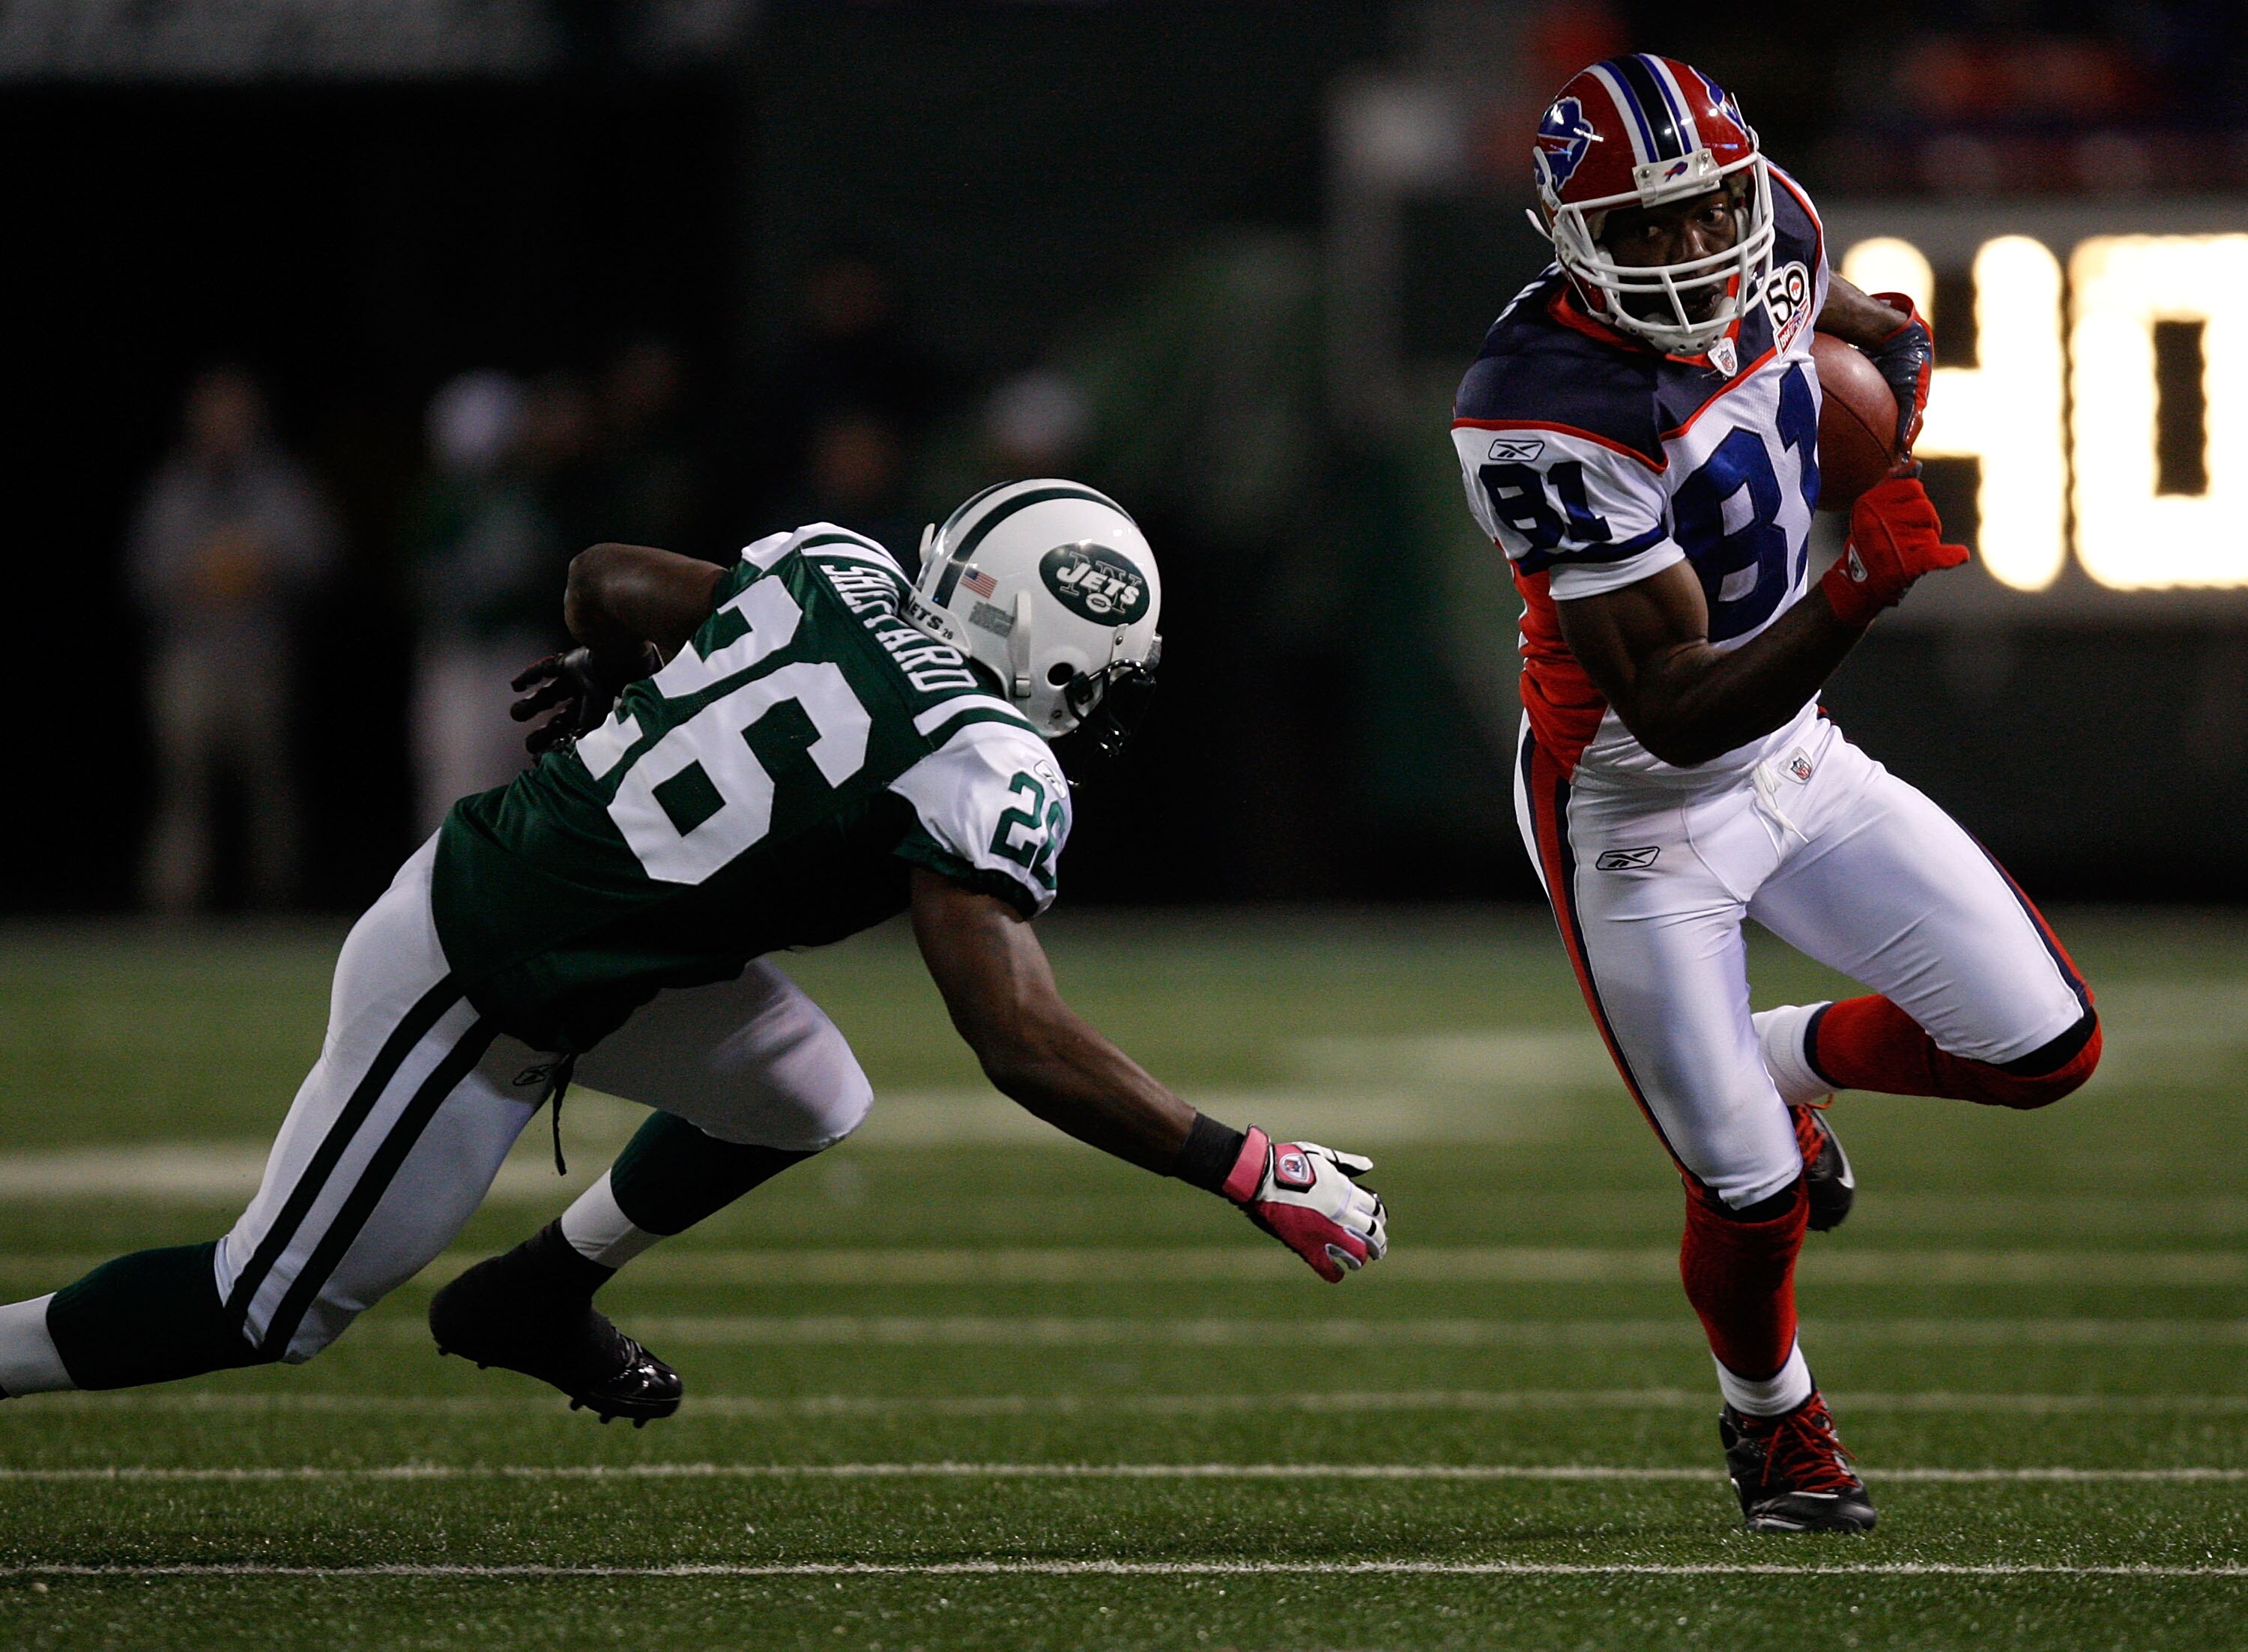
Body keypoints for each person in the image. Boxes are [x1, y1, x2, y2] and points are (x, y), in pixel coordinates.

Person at [0, 480, 1387, 1420]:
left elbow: (602, 578)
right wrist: (1243, 1163)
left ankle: (537, 1296)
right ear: (1042, 639)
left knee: (808, 1090)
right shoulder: (984, 756)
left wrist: (625, 674)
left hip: (600, 948)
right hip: (487, 968)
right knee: (265, 1307)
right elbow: (1015, 1037)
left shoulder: (836, 565)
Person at [1450, 55, 2099, 1533]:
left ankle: (1779, 1063)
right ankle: (1776, 1422)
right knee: (1748, 1195)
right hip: (1636, 815)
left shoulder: (1777, 227)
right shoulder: (1540, 403)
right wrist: (1853, 592)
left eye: (1706, 214)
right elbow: (1672, 711)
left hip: (1798, 756)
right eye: (1645, 227)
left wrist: (1892, 367)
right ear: (1568, 235)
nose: (1690, 252)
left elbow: (1857, 320)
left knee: (2044, 1045)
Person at [130, 366, 336, 913]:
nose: (224, 426)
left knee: (270, 787)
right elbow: (142, 571)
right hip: (191, 657)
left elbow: (320, 554)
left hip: (260, 655)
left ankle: (275, 898)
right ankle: (176, 904)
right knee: (183, 789)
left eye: (235, 415)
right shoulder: (174, 486)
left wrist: (262, 561)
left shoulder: (278, 483)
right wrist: (196, 573)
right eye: (213, 415)